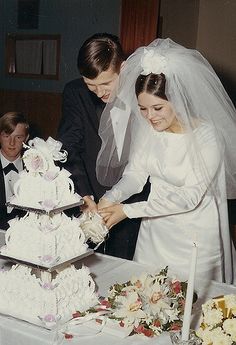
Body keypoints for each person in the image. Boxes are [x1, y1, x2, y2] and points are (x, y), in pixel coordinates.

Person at [97, 38, 236, 284]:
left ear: (178, 99)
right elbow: (136, 174)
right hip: (155, 234)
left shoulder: (208, 136)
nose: (149, 117)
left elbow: (189, 196)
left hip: (195, 239)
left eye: (158, 108)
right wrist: (111, 197)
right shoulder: (149, 128)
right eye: (142, 108)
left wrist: (127, 211)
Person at [57, 33, 150, 259]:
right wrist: (84, 194)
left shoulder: (147, 95)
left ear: (123, 67)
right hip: (93, 200)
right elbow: (69, 147)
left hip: (139, 205)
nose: (100, 93)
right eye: (91, 85)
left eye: (106, 83)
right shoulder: (75, 93)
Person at [0, 112, 29, 230]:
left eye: (18, 137)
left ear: (26, 138)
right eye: (6, 136)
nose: (12, 143)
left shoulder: (36, 170)